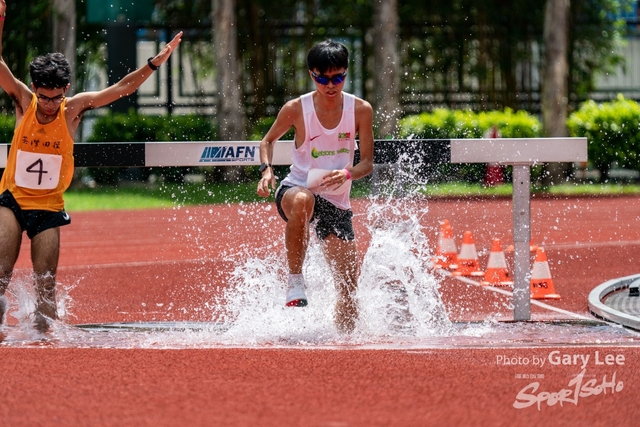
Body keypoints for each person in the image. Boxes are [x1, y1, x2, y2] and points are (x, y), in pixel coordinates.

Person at [0, 0, 182, 332]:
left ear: (66, 90)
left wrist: (153, 65)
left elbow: (122, 88)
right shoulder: (25, 101)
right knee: (1, 272)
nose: (50, 105)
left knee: (46, 291)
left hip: (48, 207)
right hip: (12, 200)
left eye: (56, 97)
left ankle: (44, 344)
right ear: (35, 90)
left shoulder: (73, 109)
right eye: (45, 97)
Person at [256, 40, 374, 333]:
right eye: (323, 79)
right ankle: (295, 281)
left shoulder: (361, 110)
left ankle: (345, 343)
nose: (330, 85)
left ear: (346, 74)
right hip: (296, 188)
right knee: (303, 200)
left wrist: (347, 175)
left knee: (348, 286)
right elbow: (267, 141)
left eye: (337, 78)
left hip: (336, 200)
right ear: (312, 75)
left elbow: (367, 163)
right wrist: (267, 170)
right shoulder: (296, 108)